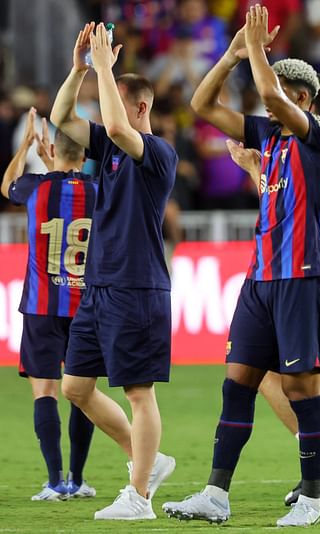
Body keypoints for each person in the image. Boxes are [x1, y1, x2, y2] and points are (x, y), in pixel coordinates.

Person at [163, 6, 320, 527]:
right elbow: (201, 103)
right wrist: (234, 53)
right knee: (237, 382)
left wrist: (258, 53)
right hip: (260, 279)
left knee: (301, 387)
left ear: (300, 100)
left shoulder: (317, 138)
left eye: (281, 90)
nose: (267, 94)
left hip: (302, 278)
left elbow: (265, 94)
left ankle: (310, 499)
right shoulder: (271, 139)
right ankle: (216, 495)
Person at [51, 22, 178, 520]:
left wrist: (105, 66)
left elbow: (121, 129)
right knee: (76, 387)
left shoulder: (158, 153)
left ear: (141, 107)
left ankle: (140, 497)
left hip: (137, 285)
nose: (105, 115)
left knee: (137, 392)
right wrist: (80, 68)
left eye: (113, 100)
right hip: (99, 285)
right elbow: (63, 114)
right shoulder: (108, 149)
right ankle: (148, 461)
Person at [229, 73, 320, 509]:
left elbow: (288, 210)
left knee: (274, 378)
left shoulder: (305, 147)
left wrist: (254, 170)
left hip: (308, 276)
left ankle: (318, 470)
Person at [1, 108, 97, 502]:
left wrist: (26, 147)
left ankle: (55, 480)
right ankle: (77, 478)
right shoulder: (98, 189)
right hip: (86, 306)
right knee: (82, 392)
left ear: (52, 150)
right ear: (86, 157)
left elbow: (6, 185)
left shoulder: (35, 187)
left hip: (42, 306)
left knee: (46, 391)